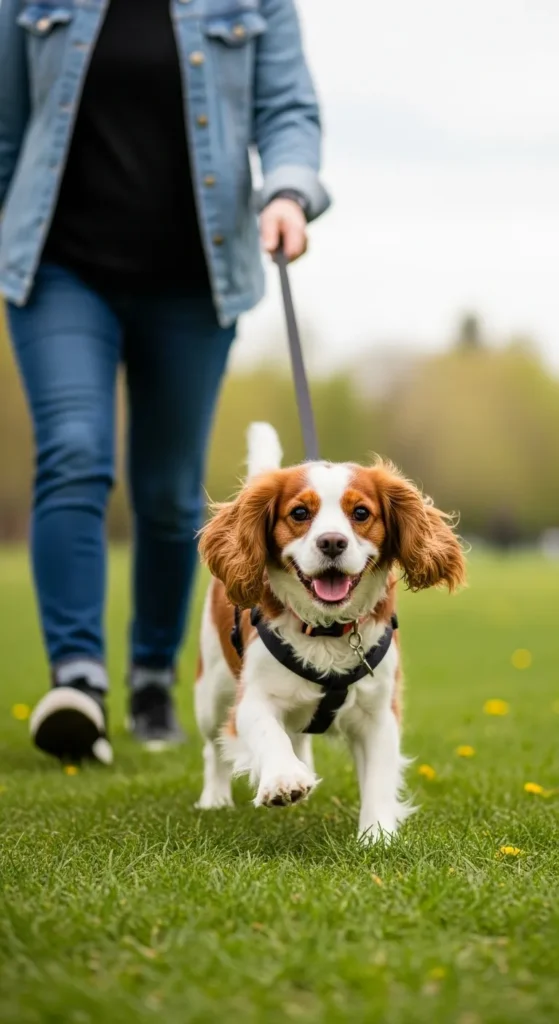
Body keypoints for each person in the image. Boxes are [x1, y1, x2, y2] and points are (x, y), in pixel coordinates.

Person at [0, 0, 329, 764]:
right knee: (74, 452)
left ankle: (153, 676)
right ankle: (78, 681)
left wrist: (285, 189)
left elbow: (288, 110)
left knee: (169, 489)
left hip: (194, 281)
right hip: (58, 270)